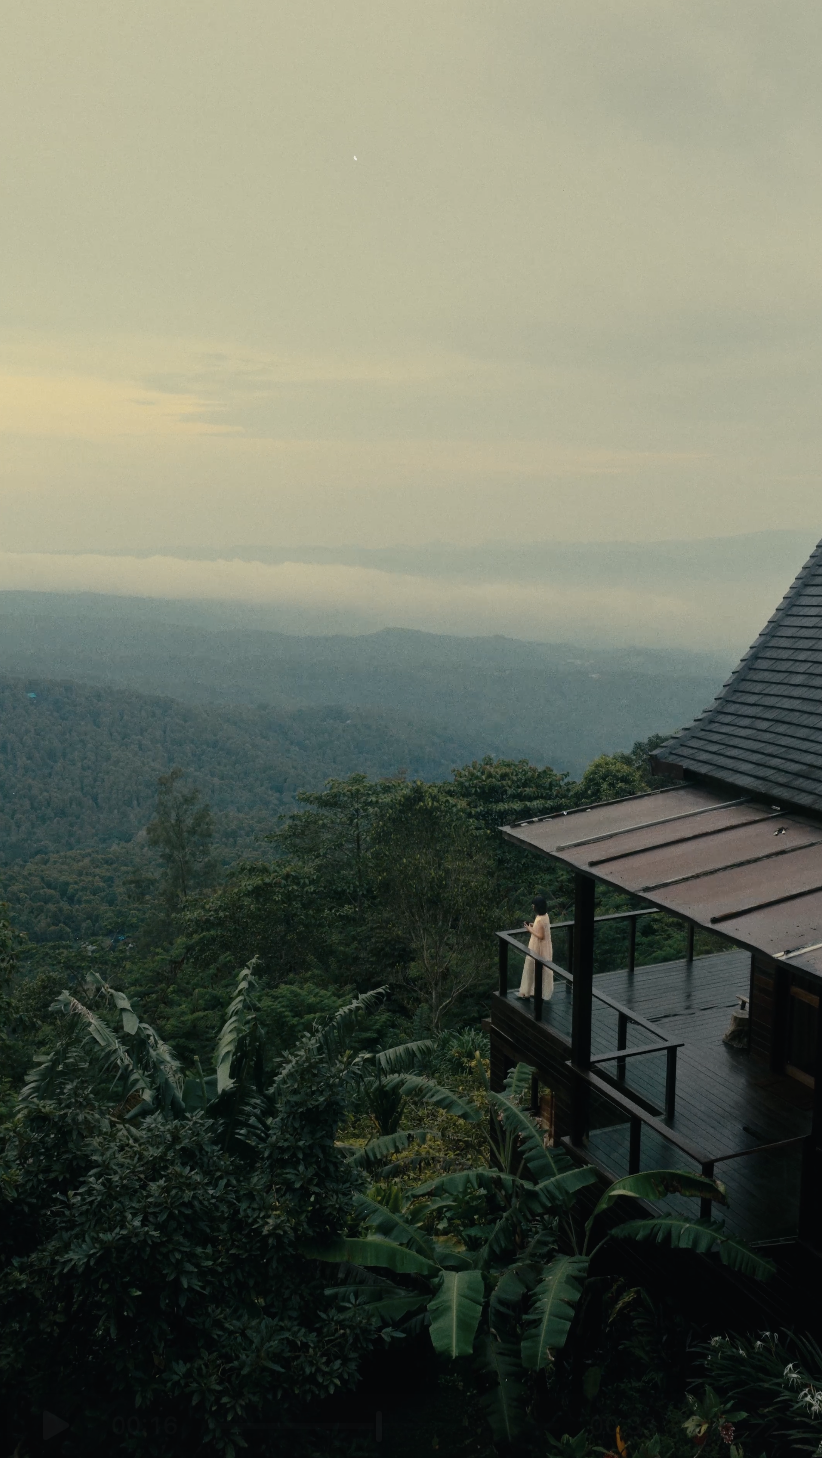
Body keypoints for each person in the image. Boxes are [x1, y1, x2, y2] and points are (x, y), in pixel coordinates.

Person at [518, 895, 553, 1001]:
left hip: (538, 946)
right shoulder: (545, 916)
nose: (533, 907)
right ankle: (537, 990)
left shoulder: (540, 919)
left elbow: (541, 936)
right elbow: (541, 929)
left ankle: (529, 991)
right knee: (540, 969)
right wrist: (533, 925)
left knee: (532, 967)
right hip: (545, 946)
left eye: (533, 905)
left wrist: (529, 929)